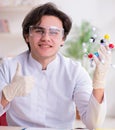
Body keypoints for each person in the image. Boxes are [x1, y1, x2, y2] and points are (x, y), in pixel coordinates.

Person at [0, 2, 111, 130]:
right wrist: (6, 95)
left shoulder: (75, 71)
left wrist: (99, 83)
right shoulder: (8, 67)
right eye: (39, 31)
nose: (46, 38)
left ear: (63, 39)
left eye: (54, 32)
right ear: (27, 36)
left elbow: (93, 124)